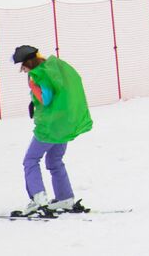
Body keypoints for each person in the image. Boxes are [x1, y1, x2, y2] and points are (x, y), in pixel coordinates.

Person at [13, 44, 93, 216]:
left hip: (49, 128)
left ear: (29, 63)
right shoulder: (53, 67)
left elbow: (47, 98)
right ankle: (65, 198)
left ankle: (38, 199)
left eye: (24, 68)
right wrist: (33, 102)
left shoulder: (38, 75)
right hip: (63, 125)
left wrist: (34, 89)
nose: (24, 72)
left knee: (31, 160)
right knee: (55, 160)